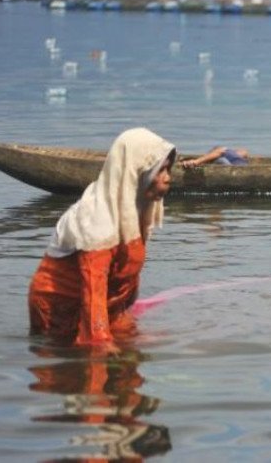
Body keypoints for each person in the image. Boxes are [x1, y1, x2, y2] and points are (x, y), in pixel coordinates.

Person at [28, 128, 177, 347]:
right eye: (160, 171)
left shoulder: (134, 209)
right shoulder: (97, 220)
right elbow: (93, 289)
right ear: (136, 171)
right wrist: (100, 341)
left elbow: (128, 269)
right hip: (61, 308)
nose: (167, 179)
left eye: (168, 170)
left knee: (131, 366)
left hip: (110, 306)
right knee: (82, 369)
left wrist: (127, 313)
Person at [179, 146, 249, 168]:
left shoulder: (222, 151)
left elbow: (220, 152)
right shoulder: (232, 153)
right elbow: (244, 152)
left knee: (220, 159)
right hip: (244, 166)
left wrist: (196, 162)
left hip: (236, 168)